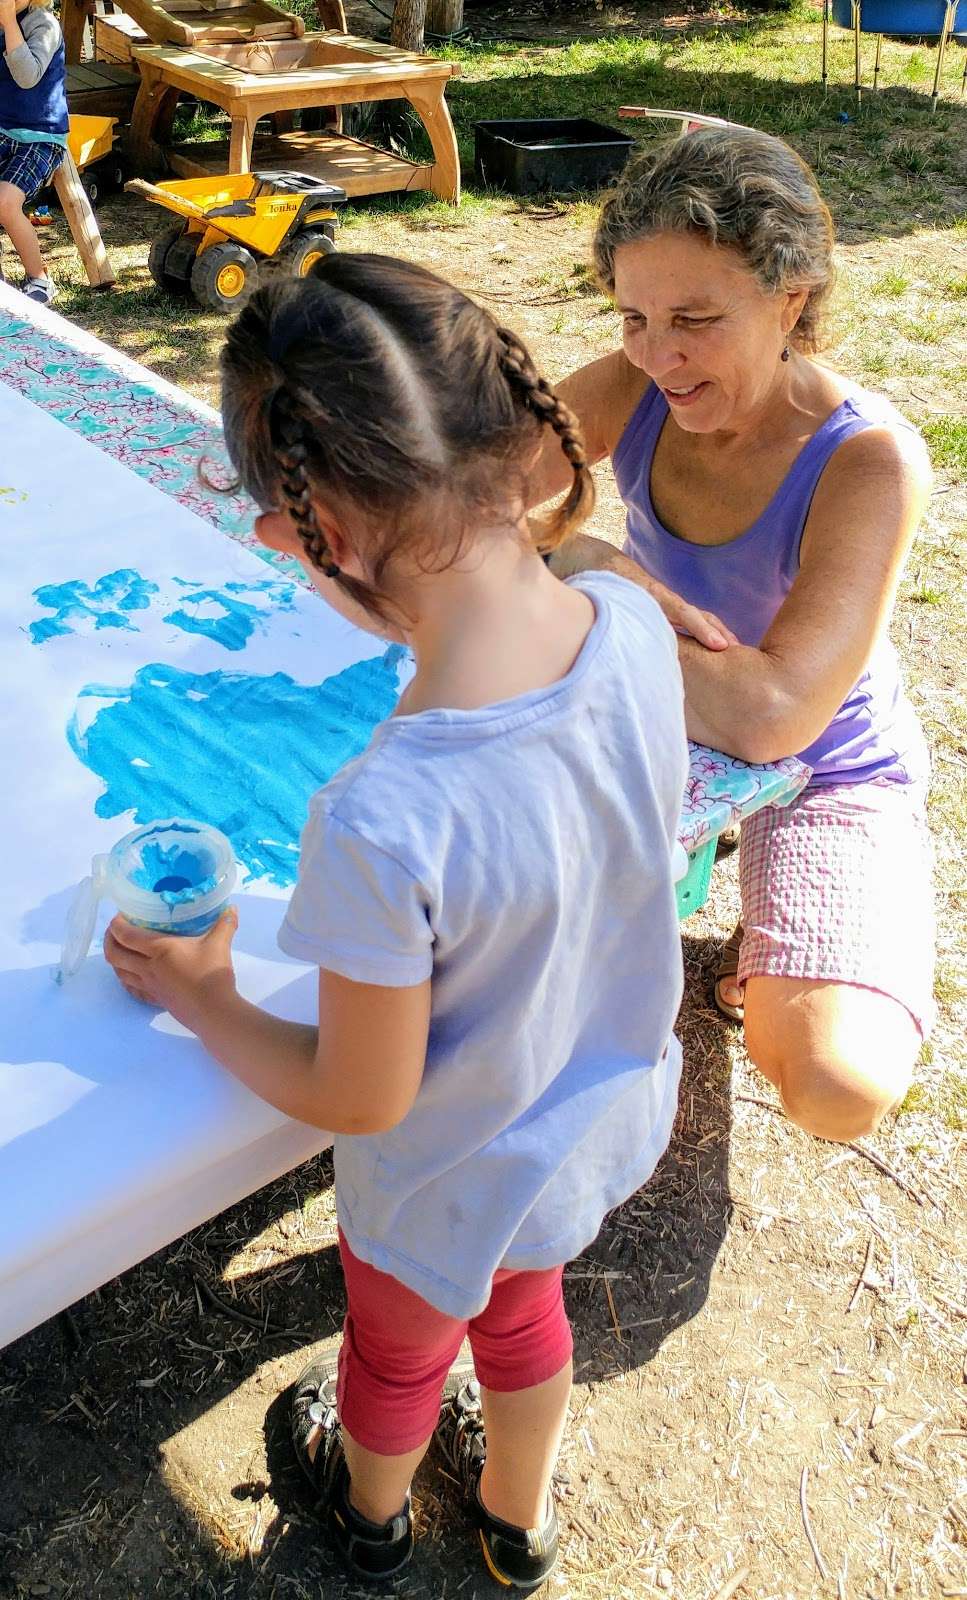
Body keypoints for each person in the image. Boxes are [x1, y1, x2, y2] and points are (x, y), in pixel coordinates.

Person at [104, 255, 689, 1588]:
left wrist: (203, 992)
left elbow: (359, 1100)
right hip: (577, 1139)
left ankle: (366, 1519)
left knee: (396, 1353)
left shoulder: (383, 817)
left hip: (441, 1185)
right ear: (516, 433)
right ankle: (516, 1521)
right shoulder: (628, 624)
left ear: (307, 537)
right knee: (529, 1316)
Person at [531, 126, 935, 1147]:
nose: (657, 354)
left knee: (835, 1084)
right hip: (650, 708)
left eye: (696, 320)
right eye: (632, 316)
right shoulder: (638, 384)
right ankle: (708, 861)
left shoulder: (869, 461)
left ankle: (766, 911)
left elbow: (771, 719)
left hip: (818, 766)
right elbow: (480, 502)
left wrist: (588, 577)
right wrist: (592, 561)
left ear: (790, 298)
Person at [0, 0, 67, 305]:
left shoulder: (44, 25)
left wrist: (8, 23)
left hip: (40, 136)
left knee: (4, 202)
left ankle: (39, 277)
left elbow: (27, 76)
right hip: (4, 129)